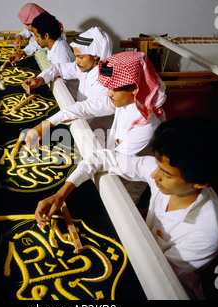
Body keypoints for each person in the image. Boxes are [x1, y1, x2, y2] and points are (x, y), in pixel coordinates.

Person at [35, 114, 218, 299]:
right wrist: (61, 194)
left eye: (166, 174)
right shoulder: (164, 172)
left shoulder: (208, 232)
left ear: (199, 183)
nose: (154, 176)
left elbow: (157, 273)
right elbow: (100, 158)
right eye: (158, 166)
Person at [24, 51, 166, 202]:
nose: (109, 94)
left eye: (114, 89)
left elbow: (107, 159)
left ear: (135, 89)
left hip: (125, 185)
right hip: (108, 165)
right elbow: (84, 107)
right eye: (108, 88)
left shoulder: (146, 126)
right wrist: (44, 125)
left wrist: (62, 192)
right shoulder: (124, 101)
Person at [21, 26, 113, 102]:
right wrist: (39, 79)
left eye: (80, 57)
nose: (76, 61)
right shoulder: (85, 67)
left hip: (91, 123)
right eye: (76, 56)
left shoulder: (106, 83)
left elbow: (88, 109)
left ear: (95, 56)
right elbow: (58, 67)